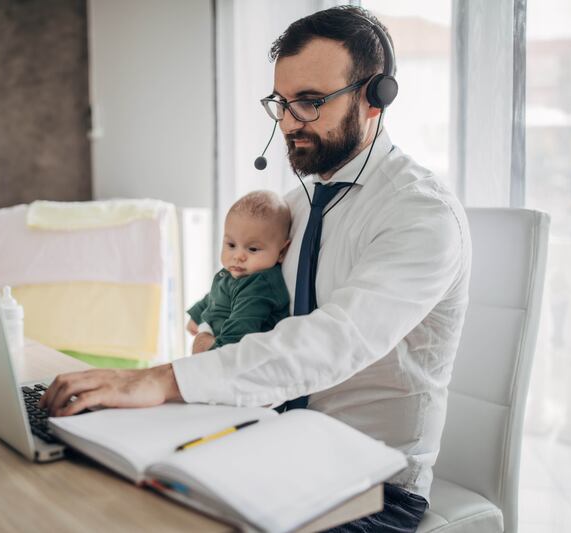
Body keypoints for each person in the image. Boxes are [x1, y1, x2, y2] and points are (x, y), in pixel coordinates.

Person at [40, 6, 471, 532]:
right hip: (268, 442)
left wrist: (161, 380)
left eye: (310, 103)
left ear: (375, 96)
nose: (290, 123)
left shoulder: (420, 214)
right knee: (89, 490)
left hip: (370, 485)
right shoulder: (296, 205)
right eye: (281, 103)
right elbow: (252, 311)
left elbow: (332, 342)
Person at [186, 190, 291, 354]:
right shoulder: (235, 273)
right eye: (231, 245)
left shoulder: (259, 286)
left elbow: (237, 336)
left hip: (232, 353)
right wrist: (197, 314)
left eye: (253, 249)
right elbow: (215, 295)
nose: (238, 256)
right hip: (215, 337)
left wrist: (209, 350)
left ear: (282, 252)